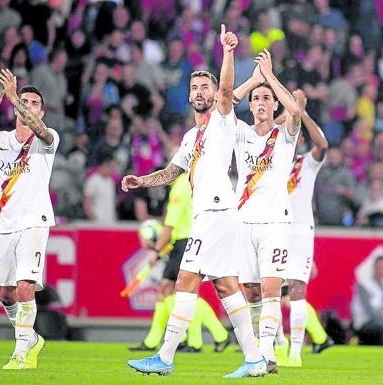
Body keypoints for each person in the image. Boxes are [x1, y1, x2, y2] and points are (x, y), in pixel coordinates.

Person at [122, 26, 266, 378]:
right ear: (188, 97)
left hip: (216, 212)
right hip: (213, 215)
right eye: (195, 88)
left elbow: (230, 91)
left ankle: (165, 358)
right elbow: (172, 172)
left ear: (215, 94)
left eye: (206, 87)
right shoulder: (191, 136)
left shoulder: (223, 118)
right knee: (225, 286)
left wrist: (228, 52)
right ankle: (255, 358)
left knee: (186, 279)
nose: (200, 92)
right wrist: (142, 180)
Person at [0, 70, 60, 370]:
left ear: (41, 111)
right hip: (4, 225)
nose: (29, 106)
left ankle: (21, 354)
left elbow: (40, 130)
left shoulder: (47, 140)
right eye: (25, 101)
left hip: (34, 220)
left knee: (24, 286)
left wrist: (12, 97)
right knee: (6, 294)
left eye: (34, 103)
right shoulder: (3, 140)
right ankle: (31, 337)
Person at [232, 48, 302, 373]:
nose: (261, 102)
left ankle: (261, 357)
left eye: (266, 98)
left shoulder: (283, 137)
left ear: (274, 105)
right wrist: (253, 81)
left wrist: (271, 78)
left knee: (272, 287)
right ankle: (267, 351)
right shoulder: (241, 133)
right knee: (250, 290)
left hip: (275, 221)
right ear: (251, 105)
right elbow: (225, 102)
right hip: (243, 220)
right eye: (256, 99)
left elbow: (296, 111)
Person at [128, 173, 230, 353]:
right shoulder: (196, 181)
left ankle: (194, 340)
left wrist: (156, 250)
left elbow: (171, 224)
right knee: (175, 292)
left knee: (172, 292)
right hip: (195, 239)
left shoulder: (181, 185)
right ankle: (205, 338)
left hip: (184, 243)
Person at [274, 89, 330, 367]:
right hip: (273, 227)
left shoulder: (304, 163)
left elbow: (322, 145)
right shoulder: (270, 161)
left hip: (299, 231)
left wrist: (302, 111)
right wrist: (289, 110)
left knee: (296, 289)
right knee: (268, 289)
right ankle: (279, 345)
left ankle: (295, 353)